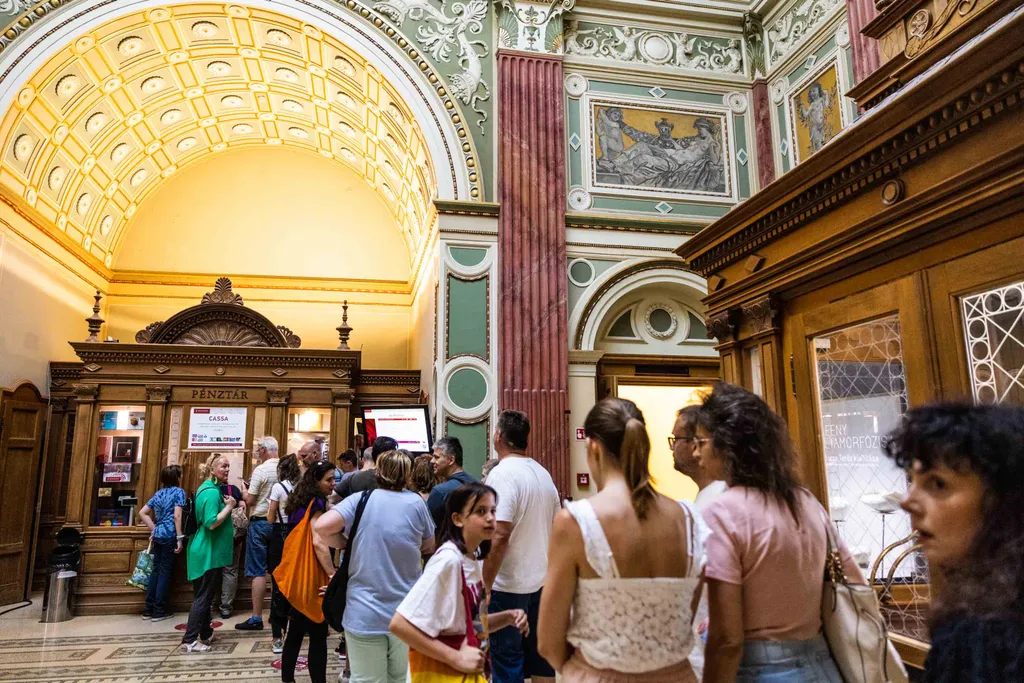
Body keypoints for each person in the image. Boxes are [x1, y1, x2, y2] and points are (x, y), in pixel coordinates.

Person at [696, 382, 862, 683]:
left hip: (760, 670)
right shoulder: (805, 501)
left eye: (702, 441)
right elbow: (853, 580)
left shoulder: (721, 513)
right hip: (823, 665)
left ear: (726, 445)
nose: (697, 452)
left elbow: (728, 640)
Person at [537, 398, 707, 683]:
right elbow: (686, 617)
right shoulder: (690, 519)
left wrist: (585, 669)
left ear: (593, 447)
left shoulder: (577, 522)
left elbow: (547, 639)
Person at [882, 403, 1024, 682]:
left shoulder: (985, 634)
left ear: (1003, 500)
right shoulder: (988, 604)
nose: (907, 501)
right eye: (912, 480)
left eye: (937, 484)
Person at [315, 450, 436, 683]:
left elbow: (322, 527)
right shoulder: (416, 503)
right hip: (406, 611)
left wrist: (344, 543)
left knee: (366, 679)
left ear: (378, 472)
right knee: (401, 678)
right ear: (407, 474)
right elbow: (428, 545)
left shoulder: (360, 499)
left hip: (364, 611)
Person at [391, 482, 529, 679]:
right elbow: (400, 624)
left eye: (493, 510)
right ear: (457, 519)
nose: (490, 518)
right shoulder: (448, 561)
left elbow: (467, 625)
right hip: (444, 673)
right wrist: (455, 657)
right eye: (480, 511)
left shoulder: (471, 559)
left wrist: (507, 617)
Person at [482, 410, 560, 683]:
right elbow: (556, 526)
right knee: (541, 661)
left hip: (508, 585)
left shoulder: (502, 475)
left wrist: (486, 584)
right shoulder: (543, 474)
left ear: (499, 436)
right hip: (539, 583)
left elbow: (500, 534)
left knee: (507, 662)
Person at [669, 403, 726, 679]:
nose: (672, 448)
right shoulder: (706, 499)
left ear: (697, 445)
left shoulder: (715, 505)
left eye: (676, 439)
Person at [280, 460, 337, 683]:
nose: (333, 484)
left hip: (297, 573)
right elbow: (318, 543)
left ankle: (287, 679)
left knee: (295, 630)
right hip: (312, 574)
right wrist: (332, 574)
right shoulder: (317, 504)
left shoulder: (298, 500)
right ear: (316, 481)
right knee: (318, 632)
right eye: (328, 480)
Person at [182, 453, 238, 653]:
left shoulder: (209, 489)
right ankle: (189, 640)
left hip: (207, 550)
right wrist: (230, 506)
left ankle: (205, 633)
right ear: (212, 468)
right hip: (208, 552)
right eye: (223, 466)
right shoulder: (211, 492)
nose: (227, 470)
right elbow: (212, 522)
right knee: (204, 597)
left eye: (228, 466)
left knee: (203, 595)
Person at [238, 435, 279, 631]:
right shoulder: (285, 468)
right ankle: (276, 613)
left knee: (257, 571)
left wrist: (243, 491)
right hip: (280, 524)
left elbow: (251, 500)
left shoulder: (260, 470)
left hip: (260, 523)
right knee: (278, 571)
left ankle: (256, 617)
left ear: (263, 450)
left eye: (257, 450)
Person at [138, 464, 185, 622]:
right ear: (176, 478)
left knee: (155, 571)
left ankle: (148, 609)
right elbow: (177, 516)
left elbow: (142, 512)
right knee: (165, 572)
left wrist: (154, 528)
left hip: (158, 536)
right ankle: (159, 610)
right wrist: (179, 538)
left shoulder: (158, 493)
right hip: (170, 535)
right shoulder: (179, 492)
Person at [267, 453, 301, 654]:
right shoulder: (300, 488)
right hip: (296, 536)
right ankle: (294, 630)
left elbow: (270, 517)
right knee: (294, 584)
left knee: (277, 586)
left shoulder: (278, 488)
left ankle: (277, 636)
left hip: (279, 537)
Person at [671, 405, 727, 510]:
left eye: (676, 438)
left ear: (695, 444)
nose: (672, 447)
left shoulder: (716, 502)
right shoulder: (711, 495)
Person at [427, 437, 477, 529]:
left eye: (436, 457)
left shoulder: (440, 492)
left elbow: (429, 530)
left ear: (451, 460)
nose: (432, 461)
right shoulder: (479, 485)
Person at [217, 483, 247, 619]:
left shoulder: (208, 490)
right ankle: (226, 608)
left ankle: (207, 605)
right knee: (230, 570)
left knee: (211, 569)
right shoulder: (232, 489)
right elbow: (243, 507)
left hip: (214, 534)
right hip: (233, 535)